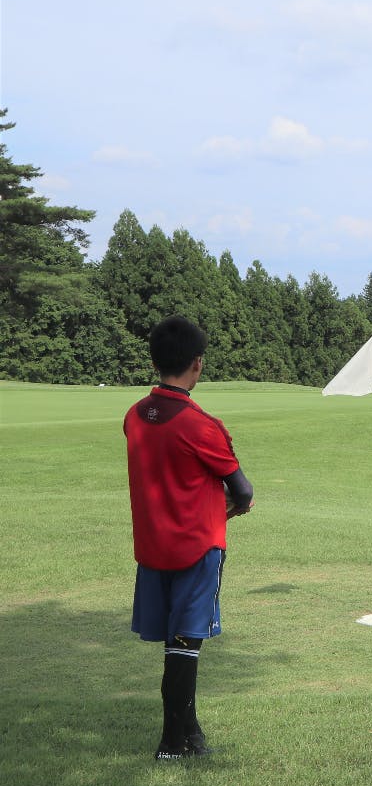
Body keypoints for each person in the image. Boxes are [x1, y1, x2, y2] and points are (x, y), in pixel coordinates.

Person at [124, 316, 253, 760]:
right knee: (185, 645)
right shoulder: (202, 425)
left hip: (152, 548)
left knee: (175, 641)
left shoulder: (135, 416)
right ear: (197, 364)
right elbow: (243, 490)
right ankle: (171, 742)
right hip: (197, 548)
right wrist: (230, 507)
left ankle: (191, 733)